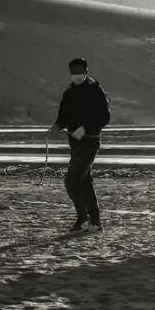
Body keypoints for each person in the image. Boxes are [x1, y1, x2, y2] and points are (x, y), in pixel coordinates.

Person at [49, 58, 110, 233]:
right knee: (84, 181)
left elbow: (104, 117)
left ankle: (83, 219)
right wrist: (57, 126)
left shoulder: (96, 91)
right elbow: (64, 115)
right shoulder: (69, 92)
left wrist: (85, 128)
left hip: (90, 142)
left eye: (79, 71)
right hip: (75, 143)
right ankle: (95, 222)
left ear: (86, 71)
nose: (76, 75)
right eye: (73, 72)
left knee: (72, 181)